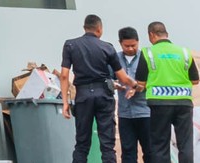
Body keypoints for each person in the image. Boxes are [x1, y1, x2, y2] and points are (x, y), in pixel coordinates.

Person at [59, 14, 140, 163]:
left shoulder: (70, 45)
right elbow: (122, 77)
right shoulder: (107, 47)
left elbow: (64, 75)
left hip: (82, 95)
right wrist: (136, 85)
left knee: (82, 143)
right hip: (103, 95)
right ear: (99, 29)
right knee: (107, 144)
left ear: (84, 28)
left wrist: (65, 102)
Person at [135, 22, 200, 163]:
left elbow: (141, 82)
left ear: (151, 35)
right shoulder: (184, 52)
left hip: (159, 103)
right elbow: (195, 80)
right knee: (185, 144)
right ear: (167, 34)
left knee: (160, 145)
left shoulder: (148, 52)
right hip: (184, 103)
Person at [117, 26, 151, 163]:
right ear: (120, 43)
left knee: (150, 151)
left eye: (133, 45)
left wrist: (137, 87)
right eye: (127, 46)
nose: (130, 48)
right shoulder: (115, 59)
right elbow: (106, 78)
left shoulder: (146, 58)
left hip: (145, 112)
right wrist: (114, 84)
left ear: (138, 42)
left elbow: (153, 81)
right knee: (128, 152)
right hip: (125, 114)